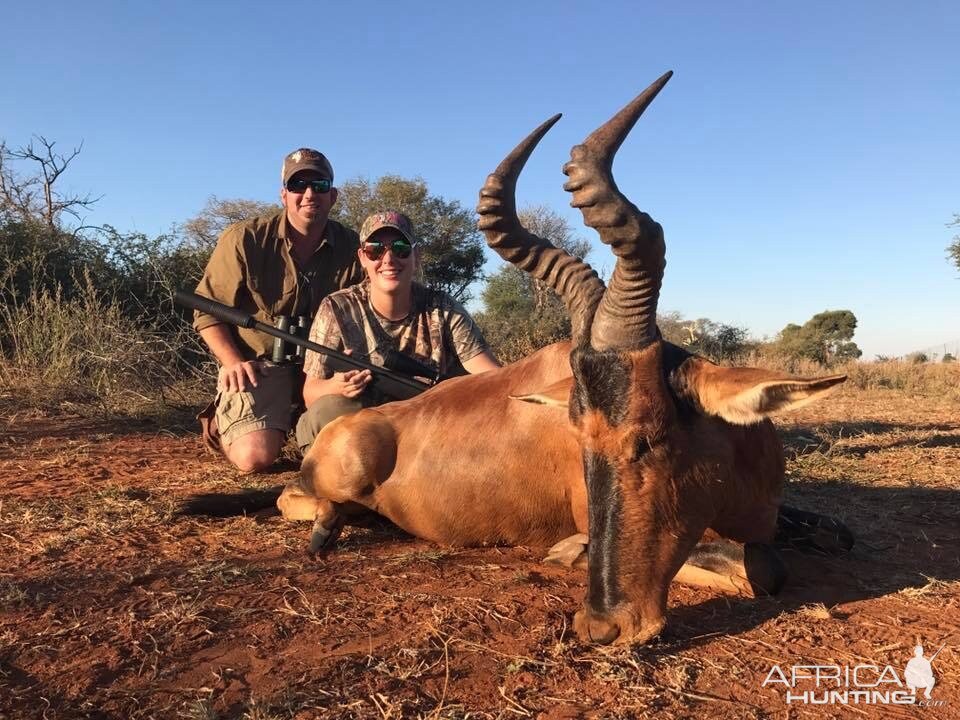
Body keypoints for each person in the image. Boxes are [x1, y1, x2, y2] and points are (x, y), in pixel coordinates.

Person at [192, 148, 364, 472]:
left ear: (334, 196)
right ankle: (225, 423)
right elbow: (207, 311)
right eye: (298, 185)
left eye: (320, 185)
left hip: (323, 369)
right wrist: (232, 362)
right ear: (284, 195)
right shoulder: (244, 238)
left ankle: (295, 422)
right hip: (260, 367)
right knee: (254, 458)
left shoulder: (353, 247)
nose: (309, 194)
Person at [295, 210, 500, 454]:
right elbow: (311, 393)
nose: (389, 259)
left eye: (400, 247)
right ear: (362, 257)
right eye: (375, 250)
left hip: (426, 421)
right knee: (329, 410)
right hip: (363, 422)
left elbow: (492, 378)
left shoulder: (443, 307)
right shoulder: (337, 307)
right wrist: (337, 387)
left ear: (417, 255)